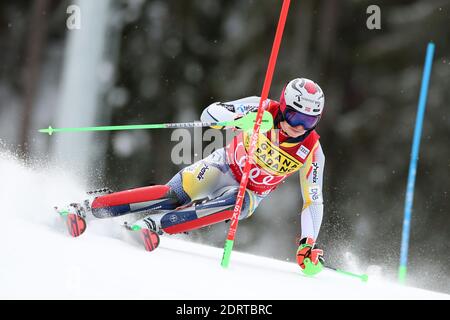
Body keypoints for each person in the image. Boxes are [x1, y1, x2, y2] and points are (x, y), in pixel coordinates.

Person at [60, 77, 326, 275]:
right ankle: (86, 209)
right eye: (294, 116)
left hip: (250, 192)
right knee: (172, 195)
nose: (298, 127)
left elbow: (312, 200)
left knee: (238, 204)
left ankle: (154, 226)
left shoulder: (312, 151)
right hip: (222, 166)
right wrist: (244, 119)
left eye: (309, 121)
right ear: (283, 107)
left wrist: (307, 243)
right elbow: (209, 114)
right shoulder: (262, 109)